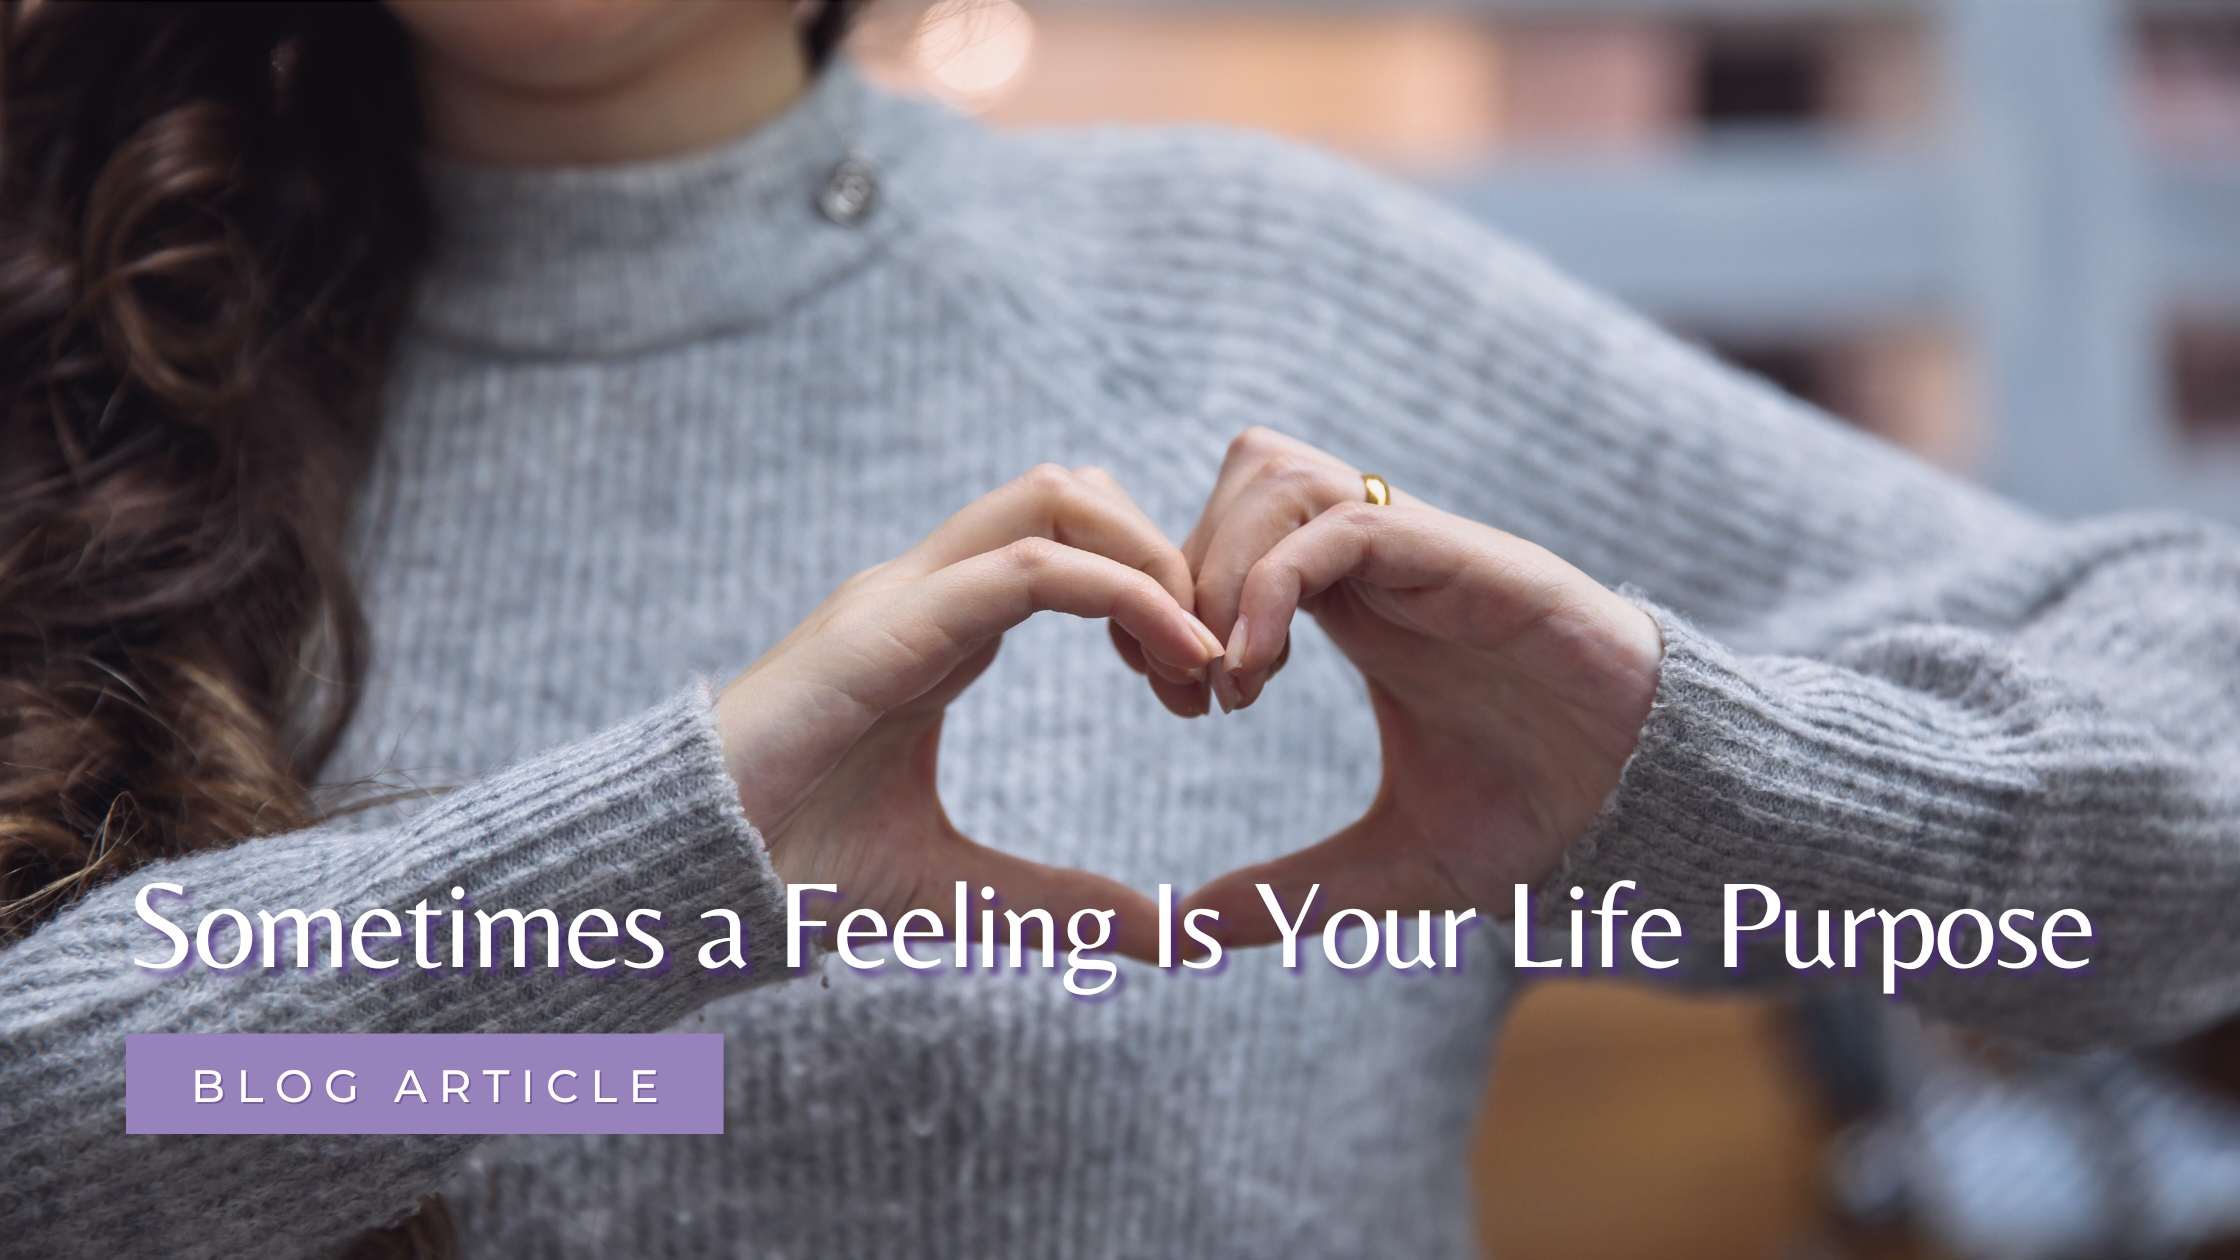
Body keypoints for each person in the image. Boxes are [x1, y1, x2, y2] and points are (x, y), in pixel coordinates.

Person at [2, 3, 2236, 1257]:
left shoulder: (1253, 290)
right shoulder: (110, 372)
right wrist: (669, 872)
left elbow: (2195, 776)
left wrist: (1696, 764)